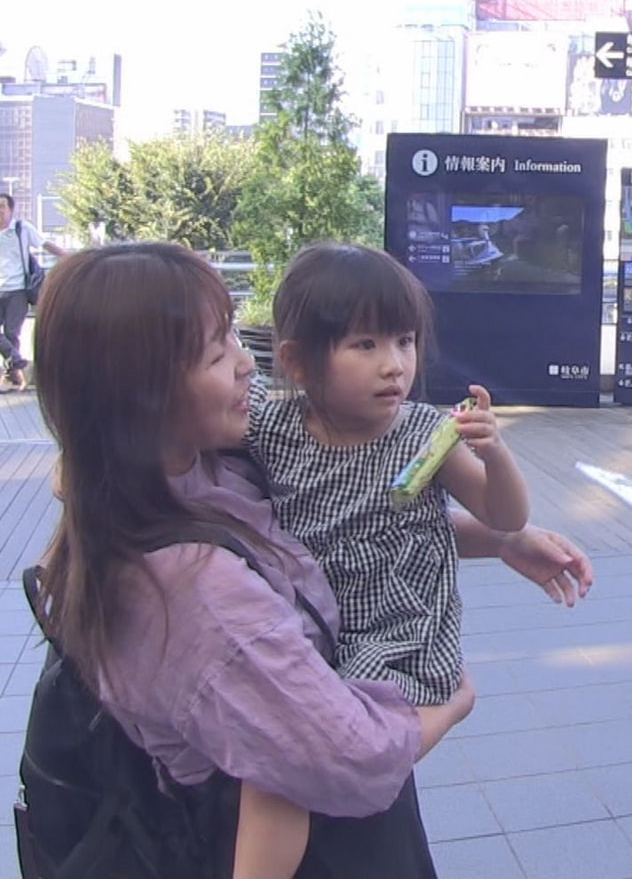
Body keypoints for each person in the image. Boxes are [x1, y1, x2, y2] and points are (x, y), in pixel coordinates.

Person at [33, 242, 593, 878]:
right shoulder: (201, 588)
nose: (249, 364)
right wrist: (453, 706)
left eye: (404, 341)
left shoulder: (190, 474)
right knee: (279, 791)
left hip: (364, 684)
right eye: (219, 351)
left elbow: (372, 523)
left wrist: (501, 538)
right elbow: (343, 757)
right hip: (321, 819)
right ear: (143, 396)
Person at [238, 243, 591, 877]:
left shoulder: (422, 433)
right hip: (315, 627)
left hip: (402, 630)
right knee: (295, 745)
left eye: (403, 342)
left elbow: (503, 517)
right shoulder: (274, 428)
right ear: (297, 362)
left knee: (318, 750)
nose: (393, 365)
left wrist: (498, 456)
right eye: (365, 345)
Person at [0, 193, 66, 388]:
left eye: (3, 206)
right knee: (10, 337)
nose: (0, 211)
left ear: (11, 210)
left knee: (12, 333)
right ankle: (19, 363)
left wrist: (69, 258)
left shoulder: (22, 229)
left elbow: (46, 245)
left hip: (17, 290)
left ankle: (12, 375)